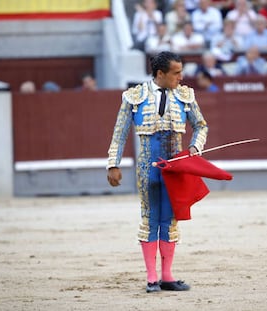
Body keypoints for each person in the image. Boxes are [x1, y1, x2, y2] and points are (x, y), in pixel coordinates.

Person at [106, 51, 208, 293]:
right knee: (150, 219)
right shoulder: (134, 96)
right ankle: (152, 278)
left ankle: (167, 276)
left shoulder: (185, 96)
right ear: (160, 74)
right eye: (176, 73)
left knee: (170, 220)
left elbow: (201, 126)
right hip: (147, 169)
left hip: (176, 170)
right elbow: (120, 132)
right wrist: (113, 163)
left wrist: (194, 147)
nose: (181, 78)